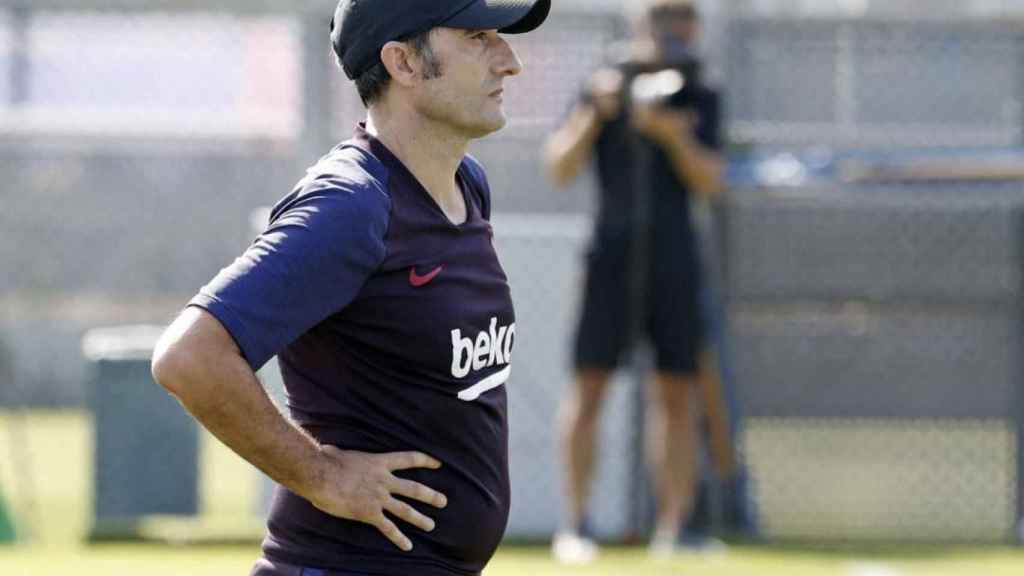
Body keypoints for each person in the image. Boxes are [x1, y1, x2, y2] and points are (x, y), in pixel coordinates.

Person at [150, 1, 550, 575]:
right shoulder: (351, 206)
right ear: (404, 63)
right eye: (477, 36)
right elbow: (189, 357)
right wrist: (322, 475)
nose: (508, 61)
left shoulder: (466, 184)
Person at [543, 0, 727, 562]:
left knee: (677, 389)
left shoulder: (700, 91)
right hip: (610, 255)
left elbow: (711, 181)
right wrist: (595, 115)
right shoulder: (605, 84)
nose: (672, 29)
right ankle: (575, 525)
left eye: (682, 16)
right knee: (590, 384)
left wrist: (669, 135)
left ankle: (676, 528)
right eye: (662, 15)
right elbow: (558, 167)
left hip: (673, 256)